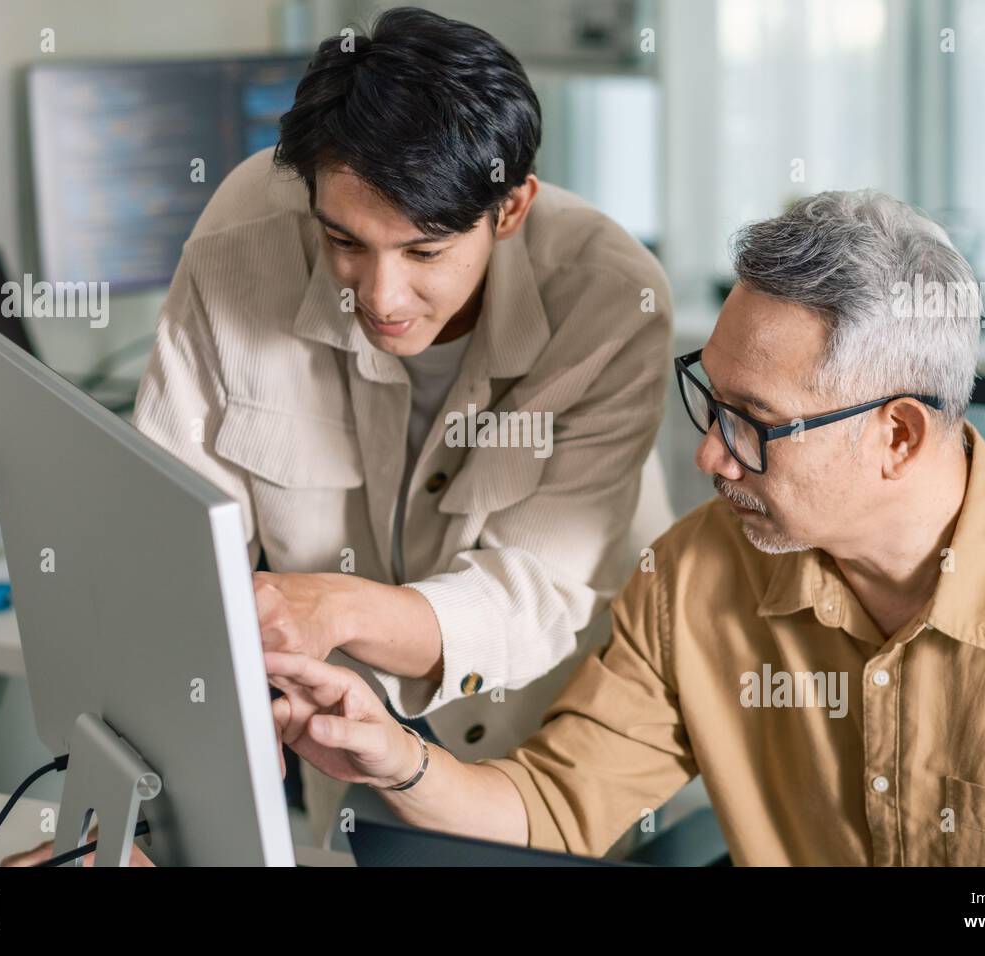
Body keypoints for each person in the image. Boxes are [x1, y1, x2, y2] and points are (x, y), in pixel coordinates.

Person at [263, 190, 985, 866]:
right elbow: (558, 808)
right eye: (711, 403)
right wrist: (392, 757)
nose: (711, 459)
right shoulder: (693, 575)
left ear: (899, 436)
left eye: (754, 424)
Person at [129, 7, 671, 842]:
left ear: (512, 208)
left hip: (539, 754)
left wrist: (338, 609)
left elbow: (538, 597)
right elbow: (168, 541)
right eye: (344, 241)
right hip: (336, 747)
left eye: (424, 252)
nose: (378, 298)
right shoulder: (246, 237)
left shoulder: (609, 300)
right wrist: (135, 817)